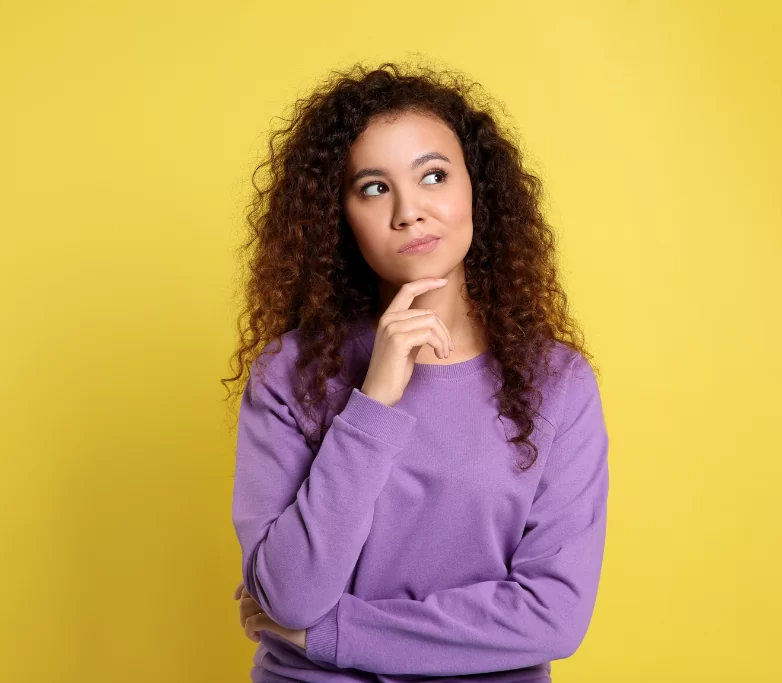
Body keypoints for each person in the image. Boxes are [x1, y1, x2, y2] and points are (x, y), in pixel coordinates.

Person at [225, 60, 610, 683]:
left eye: (433, 176)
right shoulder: (289, 374)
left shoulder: (557, 384)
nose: (409, 211)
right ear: (338, 217)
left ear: (475, 191)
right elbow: (291, 594)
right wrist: (374, 401)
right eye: (373, 188)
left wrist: (328, 634)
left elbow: (553, 615)